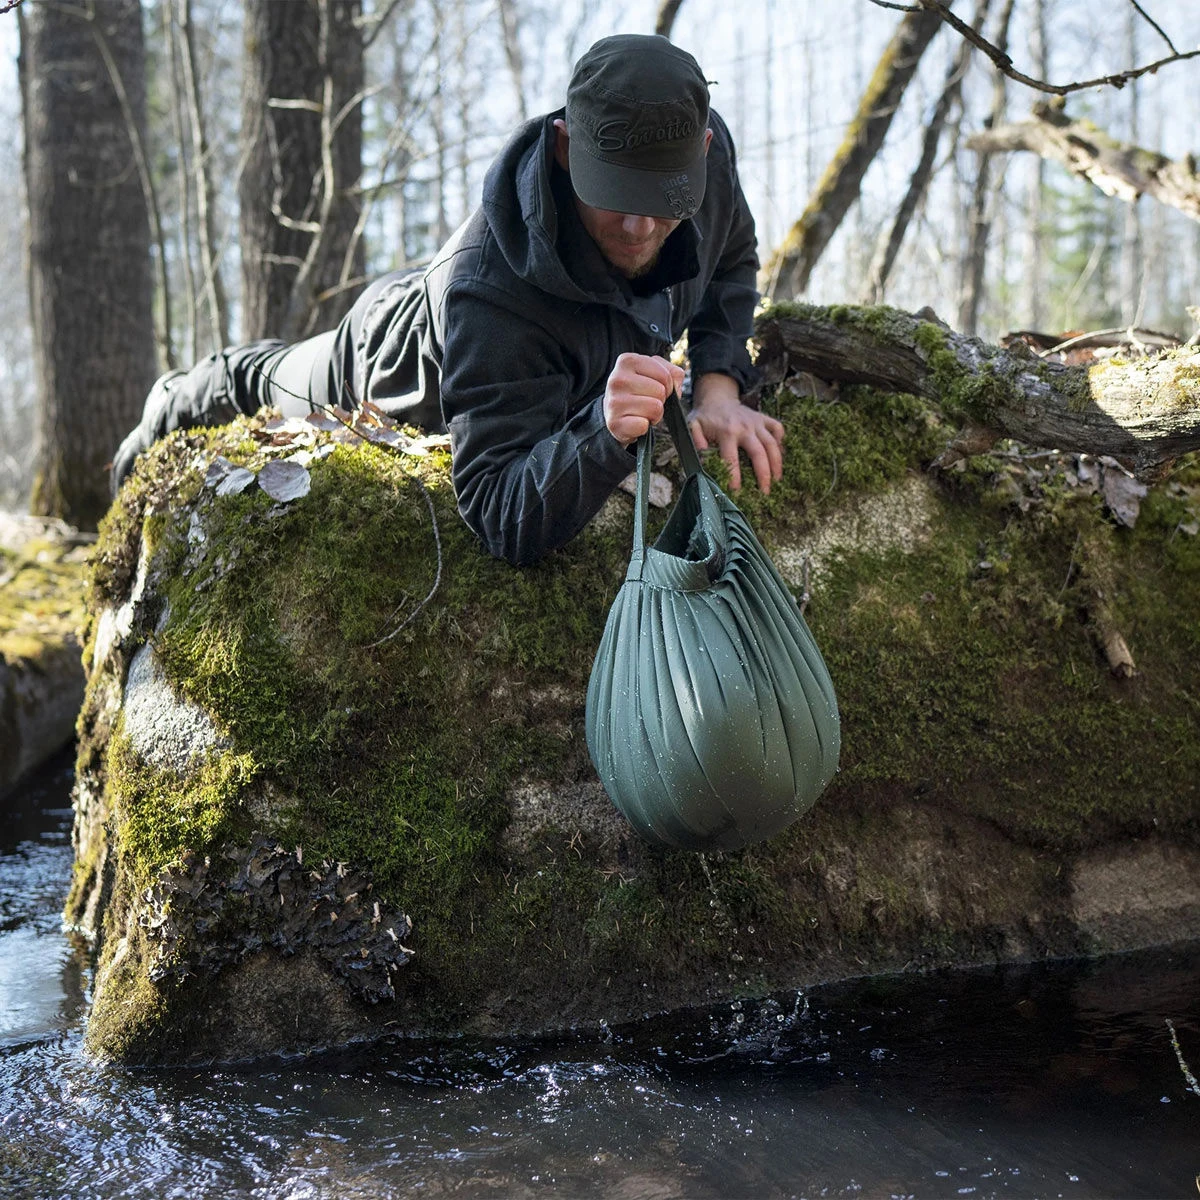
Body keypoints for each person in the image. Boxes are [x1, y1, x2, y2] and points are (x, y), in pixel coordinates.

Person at [112, 33, 784, 566]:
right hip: (394, 356)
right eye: (614, 197)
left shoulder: (705, 162)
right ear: (564, 146)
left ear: (701, 151)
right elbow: (495, 510)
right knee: (265, 378)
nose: (639, 230)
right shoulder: (489, 295)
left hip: (469, 316)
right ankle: (174, 400)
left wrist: (719, 388)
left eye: (661, 203)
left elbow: (730, 259)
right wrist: (598, 432)